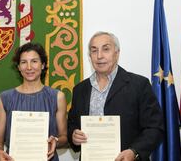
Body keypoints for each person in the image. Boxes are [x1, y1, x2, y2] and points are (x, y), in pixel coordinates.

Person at [67, 31, 164, 161]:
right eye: (94, 51)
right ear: (89, 56)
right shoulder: (80, 89)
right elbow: (72, 124)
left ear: (117, 53)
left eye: (106, 49)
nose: (99, 56)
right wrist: (73, 136)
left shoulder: (139, 85)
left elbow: (155, 128)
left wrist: (134, 151)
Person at [0, 42, 68, 161]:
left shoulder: (57, 97)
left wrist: (56, 141)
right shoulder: (5, 97)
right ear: (18, 67)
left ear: (42, 65)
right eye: (23, 62)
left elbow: (64, 137)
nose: (29, 67)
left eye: (34, 61)